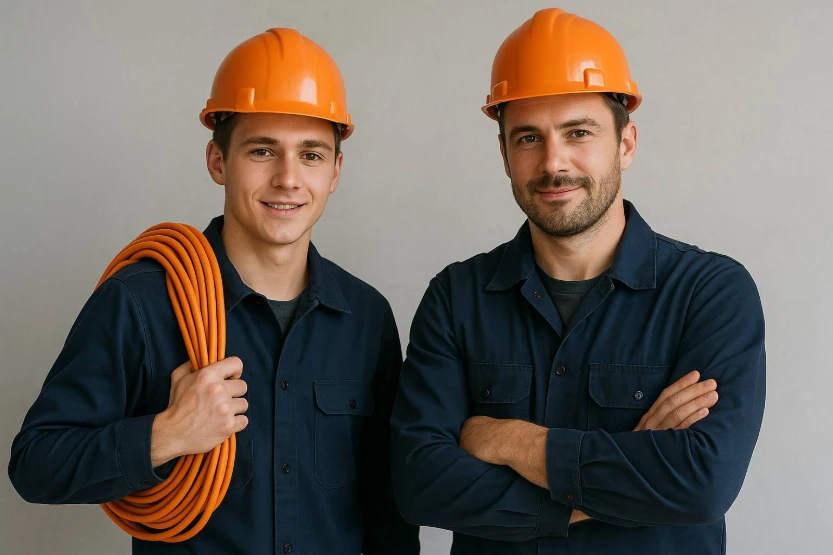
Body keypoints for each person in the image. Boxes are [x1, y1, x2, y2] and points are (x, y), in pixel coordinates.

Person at [9, 27, 419, 555]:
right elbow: (35, 464)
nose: (288, 179)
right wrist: (167, 434)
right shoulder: (142, 303)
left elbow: (386, 506)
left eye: (311, 154)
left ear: (336, 170)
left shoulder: (365, 315)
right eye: (263, 151)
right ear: (217, 161)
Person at [390, 8, 765, 554]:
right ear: (504, 154)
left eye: (579, 132)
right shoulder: (456, 297)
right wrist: (624, 473)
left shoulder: (710, 293)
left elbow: (701, 483)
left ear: (626, 143)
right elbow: (420, 485)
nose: (553, 162)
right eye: (527, 138)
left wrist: (508, 439)